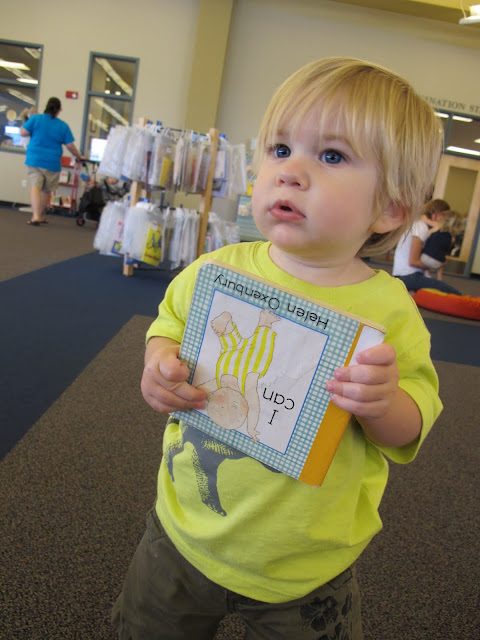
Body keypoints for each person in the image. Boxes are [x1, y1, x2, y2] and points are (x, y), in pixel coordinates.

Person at [112, 58, 444, 640]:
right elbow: (169, 325)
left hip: (305, 565)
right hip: (183, 531)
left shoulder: (390, 311)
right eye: (281, 149)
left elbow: (411, 424)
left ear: (390, 207)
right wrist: (157, 363)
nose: (290, 172)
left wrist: (383, 403)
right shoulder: (216, 269)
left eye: (332, 156)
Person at [20, 97, 84, 226]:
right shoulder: (63, 126)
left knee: (35, 187)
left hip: (34, 158)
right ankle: (40, 216)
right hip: (52, 162)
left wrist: (28, 120)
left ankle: (35, 216)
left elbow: (23, 132)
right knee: (46, 190)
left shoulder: (36, 118)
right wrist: (79, 156)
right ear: (59, 110)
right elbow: (70, 146)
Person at [392, 198, 461, 294]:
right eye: (444, 215)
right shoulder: (421, 227)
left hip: (411, 275)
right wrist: (436, 266)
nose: (445, 219)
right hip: (407, 276)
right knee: (453, 293)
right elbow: (413, 261)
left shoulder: (425, 227)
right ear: (435, 214)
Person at [421, 210, 465, 280]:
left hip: (424, 259)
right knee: (443, 258)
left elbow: (425, 238)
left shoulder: (437, 227)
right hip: (438, 263)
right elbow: (445, 250)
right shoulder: (452, 238)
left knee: (427, 248)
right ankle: (439, 277)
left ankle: (427, 272)